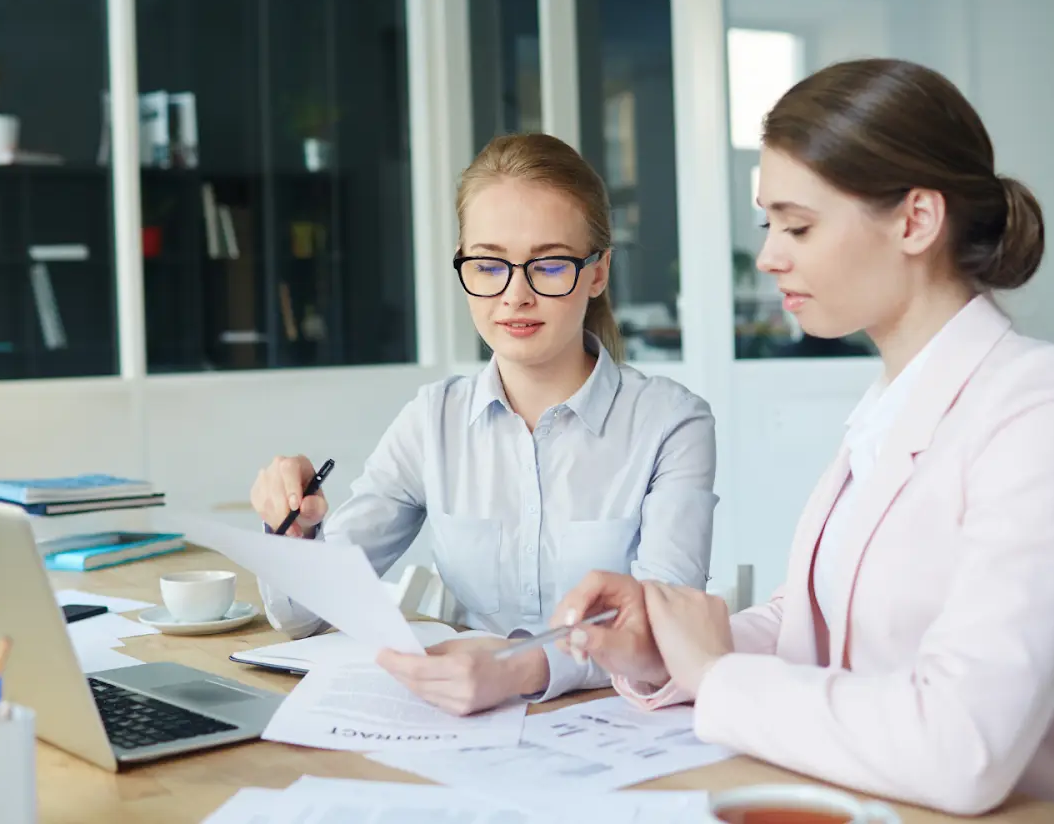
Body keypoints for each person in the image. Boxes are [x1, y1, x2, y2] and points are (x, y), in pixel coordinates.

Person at [551, 59, 1054, 824]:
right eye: (769, 226)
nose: (769, 256)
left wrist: (716, 673)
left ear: (915, 221)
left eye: (798, 226)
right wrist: (668, 647)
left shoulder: (1043, 404)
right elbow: (812, 620)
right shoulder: (890, 406)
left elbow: (962, 747)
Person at [248, 132, 718, 715]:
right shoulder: (432, 421)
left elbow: (665, 633)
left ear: (598, 273)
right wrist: (293, 533)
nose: (514, 295)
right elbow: (303, 615)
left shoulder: (672, 424)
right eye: (490, 265)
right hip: (465, 724)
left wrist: (518, 669)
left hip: (622, 730)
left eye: (549, 265)